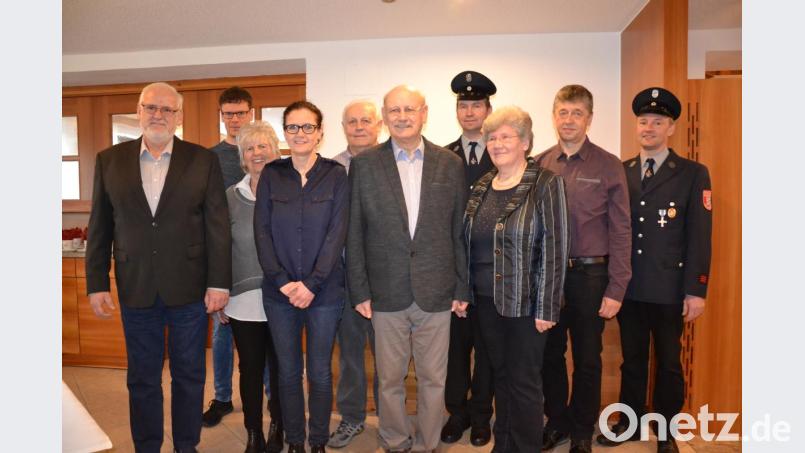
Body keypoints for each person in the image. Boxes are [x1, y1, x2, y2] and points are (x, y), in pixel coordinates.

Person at [85, 82, 231, 453]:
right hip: (136, 287)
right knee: (142, 378)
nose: (158, 115)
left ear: (179, 117)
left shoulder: (202, 160)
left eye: (167, 110)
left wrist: (219, 283)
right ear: (138, 111)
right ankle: (147, 446)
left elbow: (216, 226)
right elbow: (100, 226)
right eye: (151, 107)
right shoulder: (109, 160)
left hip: (190, 289)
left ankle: (186, 445)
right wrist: (96, 282)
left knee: (190, 375)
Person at [346, 85, 470, 453]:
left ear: (424, 113)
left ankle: (428, 443)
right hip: (386, 292)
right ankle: (395, 440)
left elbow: (458, 232)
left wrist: (462, 288)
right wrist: (360, 289)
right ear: (384, 116)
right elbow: (355, 230)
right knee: (390, 380)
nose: (402, 116)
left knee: (434, 379)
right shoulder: (366, 164)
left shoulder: (450, 164)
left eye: (409, 109)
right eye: (394, 110)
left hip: (437, 290)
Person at [595, 87, 712, 453]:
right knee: (632, 360)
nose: (648, 127)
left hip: (669, 288)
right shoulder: (621, 170)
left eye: (657, 122)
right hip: (629, 286)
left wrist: (697, 289)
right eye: (643, 121)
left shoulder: (692, 173)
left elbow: (700, 234)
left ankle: (665, 432)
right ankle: (629, 423)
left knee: (669, 364)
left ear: (671, 128)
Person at [464, 105, 570, 453]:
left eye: (505, 136)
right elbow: (467, 242)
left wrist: (547, 306)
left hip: (526, 303)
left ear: (524, 141)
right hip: (485, 301)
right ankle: (504, 444)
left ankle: (524, 446)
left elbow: (556, 246)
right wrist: (463, 290)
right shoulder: (482, 185)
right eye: (491, 137)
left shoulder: (545, 183)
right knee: (501, 376)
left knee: (524, 383)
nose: (496, 143)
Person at [535, 85, 632, 453]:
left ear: (589, 118)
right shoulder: (540, 163)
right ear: (554, 116)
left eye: (577, 113)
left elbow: (622, 229)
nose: (569, 119)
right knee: (550, 355)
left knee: (588, 358)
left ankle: (581, 430)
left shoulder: (608, 165)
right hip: (549, 275)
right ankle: (556, 421)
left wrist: (617, 286)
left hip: (592, 276)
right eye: (563, 112)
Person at [254, 100, 349, 453]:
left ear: (320, 133)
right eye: (293, 127)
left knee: (320, 373)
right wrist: (282, 281)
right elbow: (261, 232)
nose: (300, 134)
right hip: (279, 294)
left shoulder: (337, 175)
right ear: (284, 133)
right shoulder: (271, 174)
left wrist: (312, 284)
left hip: (324, 293)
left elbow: (336, 234)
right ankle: (295, 441)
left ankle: (318, 441)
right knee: (288, 372)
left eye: (307, 127)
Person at [204, 86, 272, 428]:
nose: (234, 118)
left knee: (265, 347)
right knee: (221, 336)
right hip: (228, 263)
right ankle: (221, 397)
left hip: (266, 272)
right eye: (228, 113)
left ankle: (272, 404)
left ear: (251, 111)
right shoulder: (211, 157)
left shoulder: (269, 158)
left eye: (240, 112)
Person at [440, 70, 497, 447]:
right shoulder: (443, 157)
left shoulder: (504, 152)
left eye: (477, 104)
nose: (470, 110)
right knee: (454, 352)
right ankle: (455, 414)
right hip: (452, 274)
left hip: (492, 274)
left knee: (488, 352)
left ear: (489, 109)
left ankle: (481, 417)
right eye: (464, 104)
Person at [224, 121, 285, 453]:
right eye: (250, 148)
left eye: (264, 146)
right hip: (242, 301)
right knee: (248, 369)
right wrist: (219, 292)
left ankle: (278, 425)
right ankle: (253, 432)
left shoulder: (291, 193)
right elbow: (219, 247)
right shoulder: (230, 197)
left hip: (283, 298)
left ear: (276, 151)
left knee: (282, 367)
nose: (257, 153)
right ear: (242, 158)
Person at [328, 100, 383, 449]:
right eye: (352, 121)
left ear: (377, 124)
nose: (359, 126)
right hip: (344, 279)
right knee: (349, 355)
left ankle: (391, 421)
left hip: (385, 278)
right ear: (343, 126)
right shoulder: (331, 167)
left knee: (389, 357)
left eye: (366, 120)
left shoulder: (391, 163)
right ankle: (351, 418)